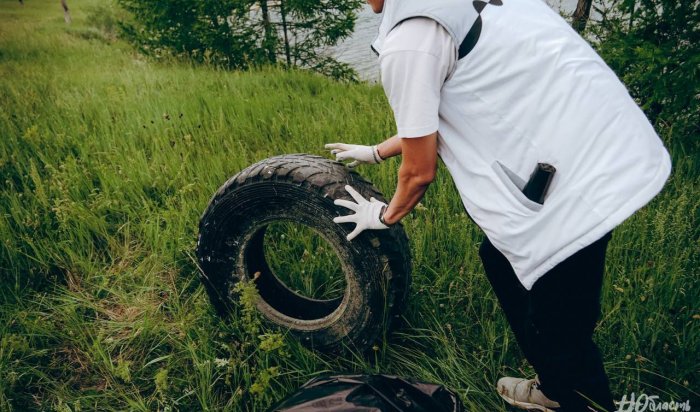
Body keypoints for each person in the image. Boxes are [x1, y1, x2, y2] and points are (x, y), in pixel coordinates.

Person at [325, 0, 672, 411]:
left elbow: (419, 172)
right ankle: (557, 383)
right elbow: (439, 103)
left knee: (558, 330)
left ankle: (575, 397)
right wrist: (378, 151)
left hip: (574, 190)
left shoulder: (410, 39)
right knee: (499, 258)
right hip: (601, 146)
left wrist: (382, 216)